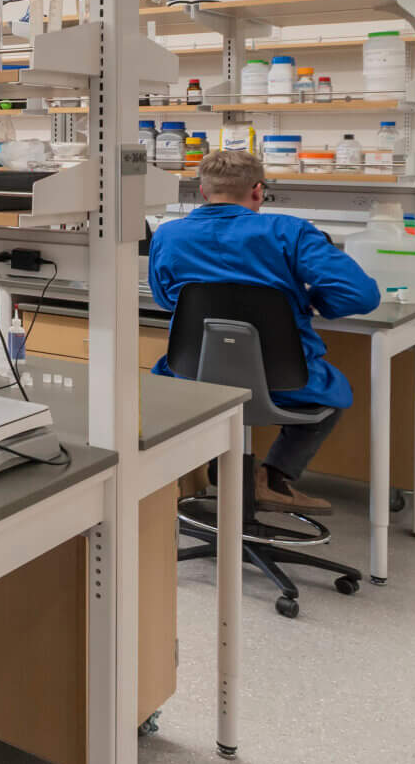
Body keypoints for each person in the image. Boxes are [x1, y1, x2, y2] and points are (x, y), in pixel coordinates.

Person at [147, 149, 380, 516]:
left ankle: (225, 472)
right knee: (333, 393)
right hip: (282, 379)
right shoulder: (289, 231)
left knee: (201, 394)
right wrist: (311, 302)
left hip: (194, 374)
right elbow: (361, 295)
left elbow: (165, 299)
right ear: (258, 191)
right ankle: (273, 477)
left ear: (204, 192)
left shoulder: (168, 234)